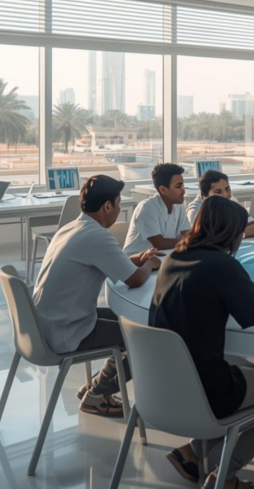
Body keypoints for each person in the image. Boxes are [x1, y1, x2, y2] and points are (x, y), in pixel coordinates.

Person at [150, 195, 254, 489]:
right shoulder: (223, 266)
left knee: (233, 366)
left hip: (161, 386)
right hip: (207, 390)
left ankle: (193, 454)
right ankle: (225, 473)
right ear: (229, 232)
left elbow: (208, 297)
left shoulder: (173, 258)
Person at [33, 175, 162, 416]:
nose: (120, 209)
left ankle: (96, 387)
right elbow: (134, 279)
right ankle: (96, 395)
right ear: (107, 206)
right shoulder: (96, 236)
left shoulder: (72, 228)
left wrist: (138, 260)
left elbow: (108, 261)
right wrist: (150, 264)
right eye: (118, 203)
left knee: (130, 322)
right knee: (145, 338)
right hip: (67, 330)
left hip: (47, 323)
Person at [123, 163, 191, 255]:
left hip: (164, 257)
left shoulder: (179, 206)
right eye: (178, 186)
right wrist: (189, 241)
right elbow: (159, 244)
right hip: (138, 264)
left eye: (183, 185)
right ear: (163, 190)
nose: (183, 190)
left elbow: (187, 233)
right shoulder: (147, 208)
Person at [186, 169, 254, 238]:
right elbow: (205, 238)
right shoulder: (195, 211)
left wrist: (237, 234)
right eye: (218, 192)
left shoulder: (232, 202)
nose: (226, 195)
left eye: (227, 189)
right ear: (204, 196)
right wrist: (233, 233)